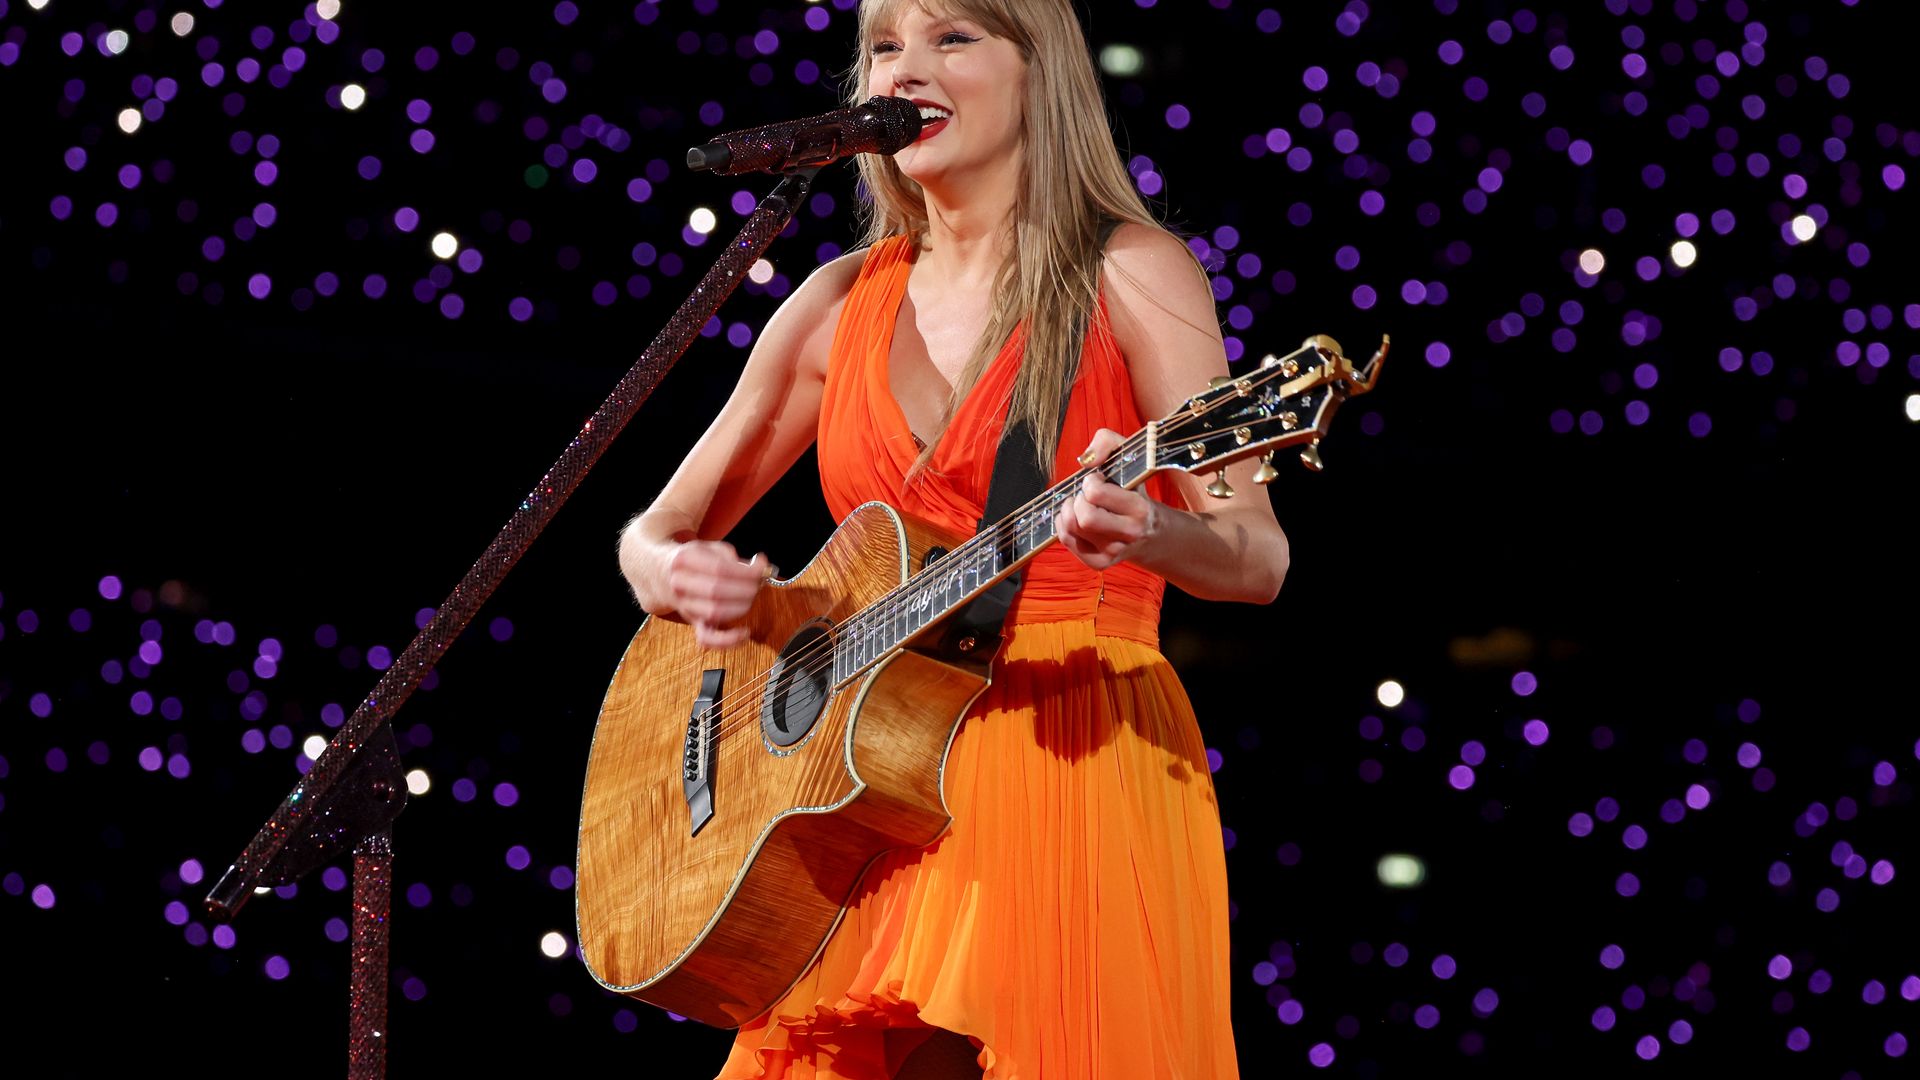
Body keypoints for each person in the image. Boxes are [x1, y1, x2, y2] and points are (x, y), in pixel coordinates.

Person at [617, 1, 1289, 1076]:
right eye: (886, 46)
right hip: (856, 790)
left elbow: (1257, 557)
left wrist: (1152, 531)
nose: (909, 70)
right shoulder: (839, 302)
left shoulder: (1131, 271)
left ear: (1041, 75)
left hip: (1068, 752)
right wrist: (678, 574)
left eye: (956, 38)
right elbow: (653, 533)